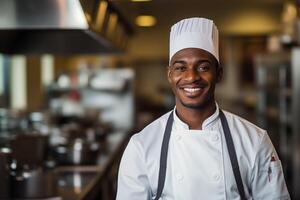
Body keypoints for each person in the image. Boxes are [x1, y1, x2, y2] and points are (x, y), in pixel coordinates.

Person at [116, 17, 290, 200]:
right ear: (170, 75)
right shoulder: (141, 146)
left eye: (203, 67)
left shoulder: (254, 141)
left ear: (219, 73)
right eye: (180, 68)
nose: (191, 77)